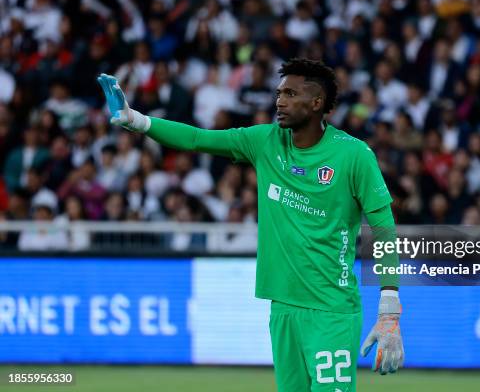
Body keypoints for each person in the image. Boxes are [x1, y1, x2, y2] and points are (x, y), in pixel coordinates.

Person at [97, 58, 404, 391]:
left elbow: (384, 227)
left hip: (331, 310)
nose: (279, 101)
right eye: (279, 93)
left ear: (317, 103)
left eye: (290, 93)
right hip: (282, 308)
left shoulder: (354, 155)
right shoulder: (266, 141)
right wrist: (138, 121)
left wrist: (389, 307)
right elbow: (199, 139)